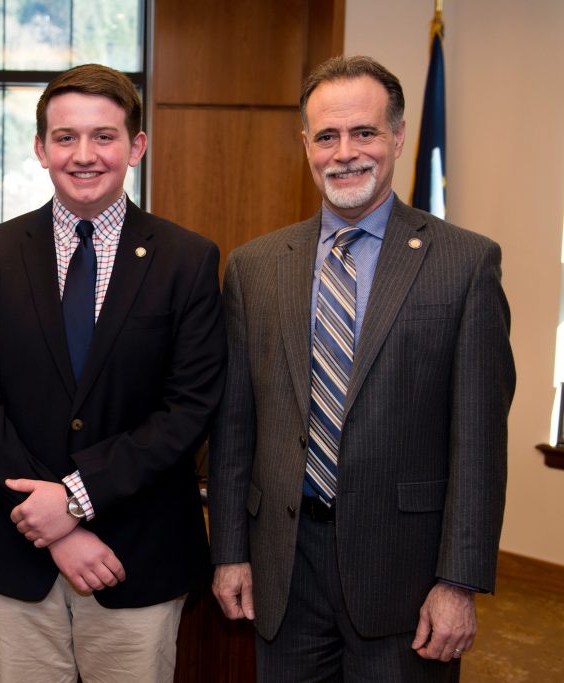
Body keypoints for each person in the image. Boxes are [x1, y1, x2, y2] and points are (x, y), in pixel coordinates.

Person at [209, 55, 515, 682]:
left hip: (405, 577)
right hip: (284, 570)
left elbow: (479, 444)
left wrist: (458, 581)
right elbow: (235, 427)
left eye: (364, 132)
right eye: (327, 136)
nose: (345, 153)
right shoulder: (254, 268)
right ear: (306, 146)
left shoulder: (465, 264)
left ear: (398, 137)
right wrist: (231, 553)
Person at [0, 63, 224, 682]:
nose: (85, 154)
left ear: (136, 147)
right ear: (41, 149)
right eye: (66, 137)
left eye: (104, 136)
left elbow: (190, 407)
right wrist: (58, 528)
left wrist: (75, 499)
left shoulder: (187, 259)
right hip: (15, 555)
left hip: (138, 556)